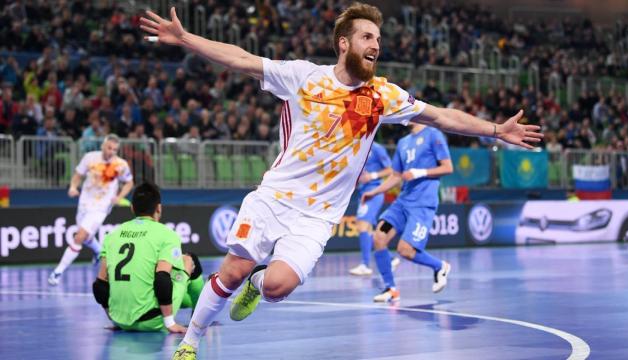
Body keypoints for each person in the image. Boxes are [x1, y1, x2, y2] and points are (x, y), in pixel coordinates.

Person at [140, 4, 542, 359]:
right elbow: (241, 59)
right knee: (230, 271)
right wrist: (186, 38)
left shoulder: (383, 95)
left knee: (278, 286)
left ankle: (257, 285)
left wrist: (494, 130)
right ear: (344, 44)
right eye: (367, 36)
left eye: (379, 38)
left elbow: (439, 116)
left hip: (318, 216)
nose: (376, 44)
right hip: (275, 197)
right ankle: (189, 343)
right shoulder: (303, 77)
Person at [92, 182, 205, 332]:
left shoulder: (111, 235)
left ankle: (191, 303)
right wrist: (170, 323)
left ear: (132, 208)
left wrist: (114, 318)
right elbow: (162, 280)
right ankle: (201, 316)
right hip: (152, 321)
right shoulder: (167, 234)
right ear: (159, 208)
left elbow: (99, 286)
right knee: (189, 260)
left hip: (120, 321)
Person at [362, 123, 453, 302]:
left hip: (422, 204)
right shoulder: (403, 142)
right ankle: (391, 289)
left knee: (405, 250)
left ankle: (440, 266)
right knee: (379, 236)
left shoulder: (433, 135)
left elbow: (448, 167)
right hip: (402, 203)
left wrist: (420, 172)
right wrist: (375, 192)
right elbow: (396, 176)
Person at [48, 134, 134, 285]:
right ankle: (99, 252)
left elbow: (129, 182)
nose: (111, 151)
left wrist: (119, 197)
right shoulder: (90, 158)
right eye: (109, 148)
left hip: (102, 207)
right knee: (86, 236)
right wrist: (73, 187)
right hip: (84, 202)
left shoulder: (121, 165)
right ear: (103, 146)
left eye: (114, 149)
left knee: (80, 236)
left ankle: (57, 272)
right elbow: (78, 175)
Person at [349, 141, 397, 276]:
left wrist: (372, 176)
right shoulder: (356, 148)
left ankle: (365, 264)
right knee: (372, 231)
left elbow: (391, 169)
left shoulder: (377, 148)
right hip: (362, 192)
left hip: (374, 191)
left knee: (362, 226)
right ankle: (390, 259)